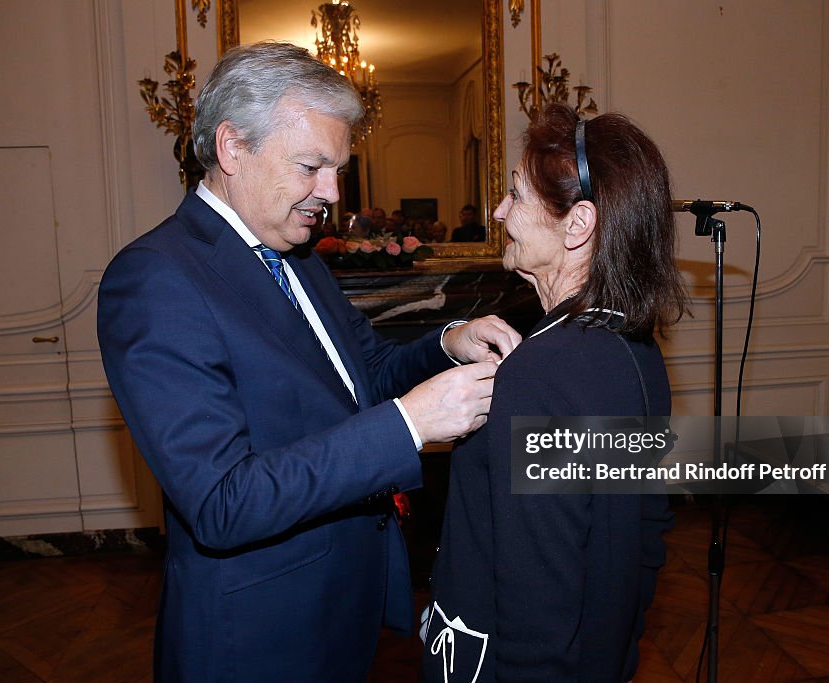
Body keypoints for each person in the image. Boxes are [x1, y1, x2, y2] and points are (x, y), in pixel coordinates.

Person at [97, 41, 521, 682]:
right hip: (260, 633)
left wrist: (445, 344)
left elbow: (364, 375)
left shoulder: (296, 256)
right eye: (310, 167)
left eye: (337, 169)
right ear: (233, 148)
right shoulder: (157, 278)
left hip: (339, 606)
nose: (330, 192)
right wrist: (408, 426)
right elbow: (221, 501)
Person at [422, 105, 687, 682]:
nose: (498, 211)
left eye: (515, 195)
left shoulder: (537, 374)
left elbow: (536, 591)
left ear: (578, 224)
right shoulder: (636, 348)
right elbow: (645, 541)